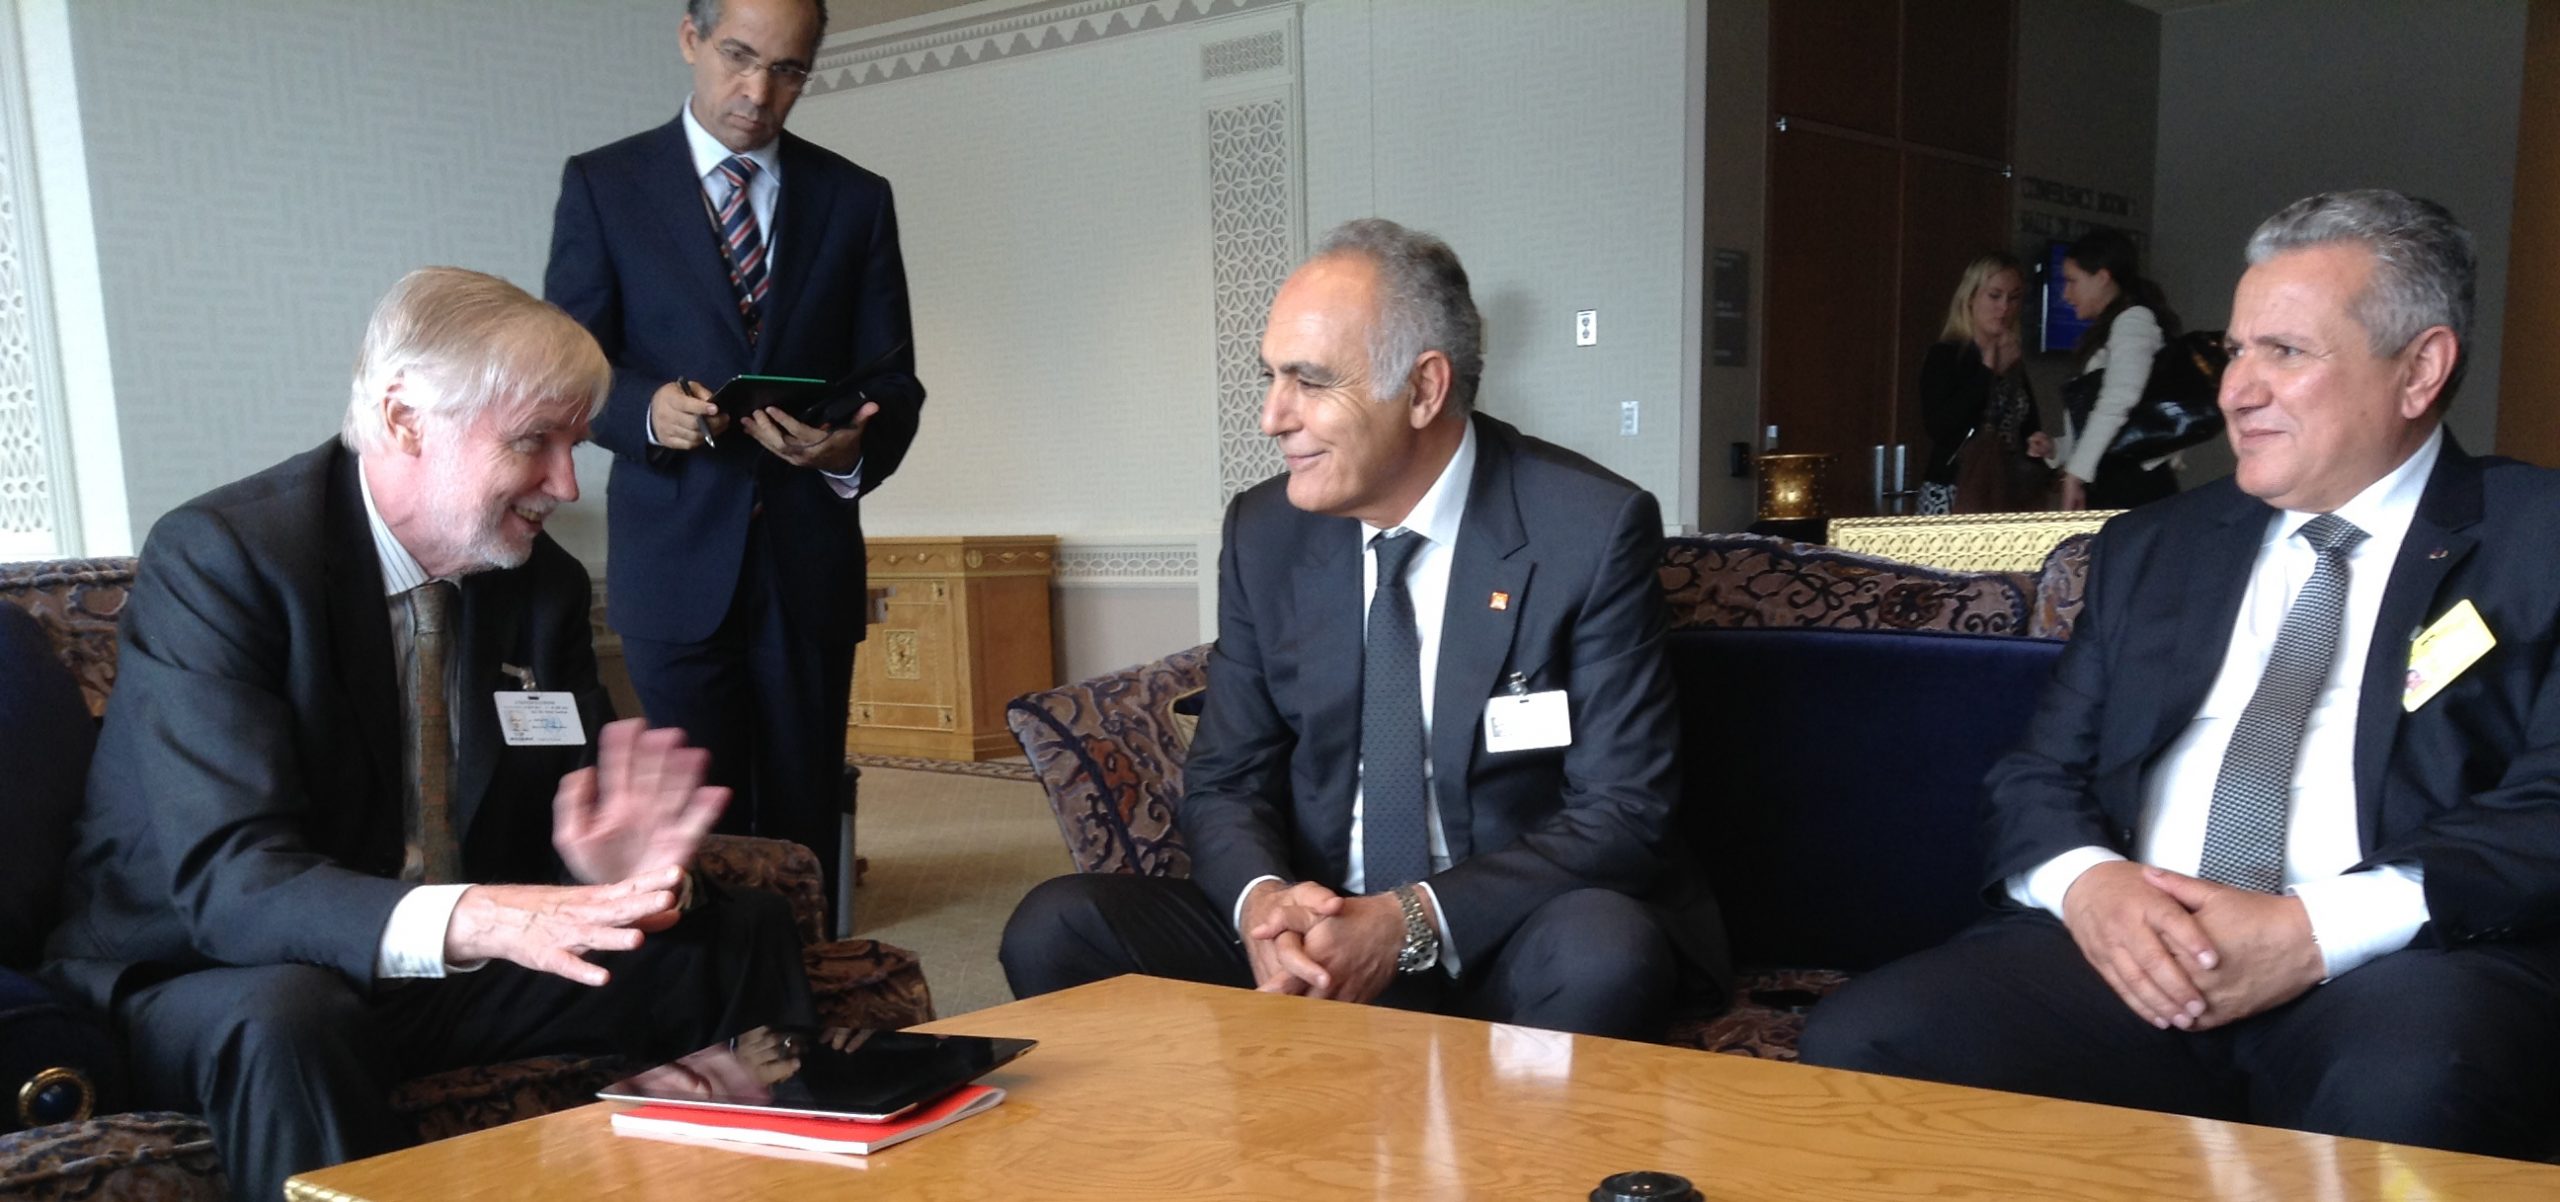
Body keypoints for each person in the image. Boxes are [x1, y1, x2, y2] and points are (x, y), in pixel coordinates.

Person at [1799, 191, 2560, 1160]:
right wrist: (2090, 886)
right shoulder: (2154, 547)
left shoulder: (2535, 539)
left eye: (2284, 352)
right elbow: (2038, 775)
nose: (2234, 391)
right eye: (2234, 352)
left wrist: (2310, 931)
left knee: (2415, 1085)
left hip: (2398, 964)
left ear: (2420, 369)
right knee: (1868, 1041)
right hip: (2133, 952)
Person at [40, 269, 814, 1202]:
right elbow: (233, 885)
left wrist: (620, 872)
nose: (566, 484)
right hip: (206, 966)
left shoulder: (540, 585)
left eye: (574, 445)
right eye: (534, 442)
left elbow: (576, 809)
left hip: (441, 966)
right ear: (406, 419)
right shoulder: (225, 558)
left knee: (733, 934)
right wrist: (483, 918)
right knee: (292, 1017)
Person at [997, 220, 1727, 1040]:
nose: (1272, 417)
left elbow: (1624, 810)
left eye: (1309, 381)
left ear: (1423, 389)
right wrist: (1266, 905)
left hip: (1499, 932)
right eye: (1270, 377)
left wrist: (1407, 920)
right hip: (1316, 927)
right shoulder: (1267, 532)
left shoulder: (1584, 528)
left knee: (1605, 953)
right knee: (1058, 927)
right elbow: (1227, 778)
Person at [545, 0, 925, 926]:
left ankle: (809, 985)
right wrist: (646, 410)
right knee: (693, 817)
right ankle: (707, 999)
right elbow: (568, 366)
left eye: (789, 71)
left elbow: (894, 379)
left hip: (808, 556)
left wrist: (850, 447)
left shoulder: (856, 198)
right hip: (673, 558)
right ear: (691, 39)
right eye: (739, 57)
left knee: (801, 805)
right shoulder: (605, 185)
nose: (759, 92)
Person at [2050, 229, 2180, 510]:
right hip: (2121, 480)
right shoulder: (2118, 324)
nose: (2066, 294)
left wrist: (2076, 472)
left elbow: (2120, 398)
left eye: (2072, 281)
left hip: (2132, 483)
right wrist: (2058, 450)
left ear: (2102, 277)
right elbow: (2104, 414)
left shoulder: (2133, 321)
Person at [1917, 253, 2053, 514]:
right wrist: (1990, 373)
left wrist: (2037, 443)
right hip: (1954, 488)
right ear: (1970, 298)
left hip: (2006, 490)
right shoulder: (1946, 355)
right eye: (1994, 296)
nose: (2004, 308)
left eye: (2013, 298)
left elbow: (2026, 426)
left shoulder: (2013, 359)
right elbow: (1941, 427)